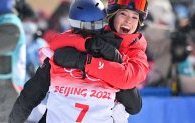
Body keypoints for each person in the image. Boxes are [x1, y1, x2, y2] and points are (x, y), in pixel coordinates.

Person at [9, 0, 147, 122]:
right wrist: (88, 46)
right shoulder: (94, 40)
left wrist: (83, 61)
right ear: (111, 16)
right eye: (123, 14)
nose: (129, 20)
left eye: (135, 17)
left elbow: (133, 103)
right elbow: (61, 41)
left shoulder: (136, 52)